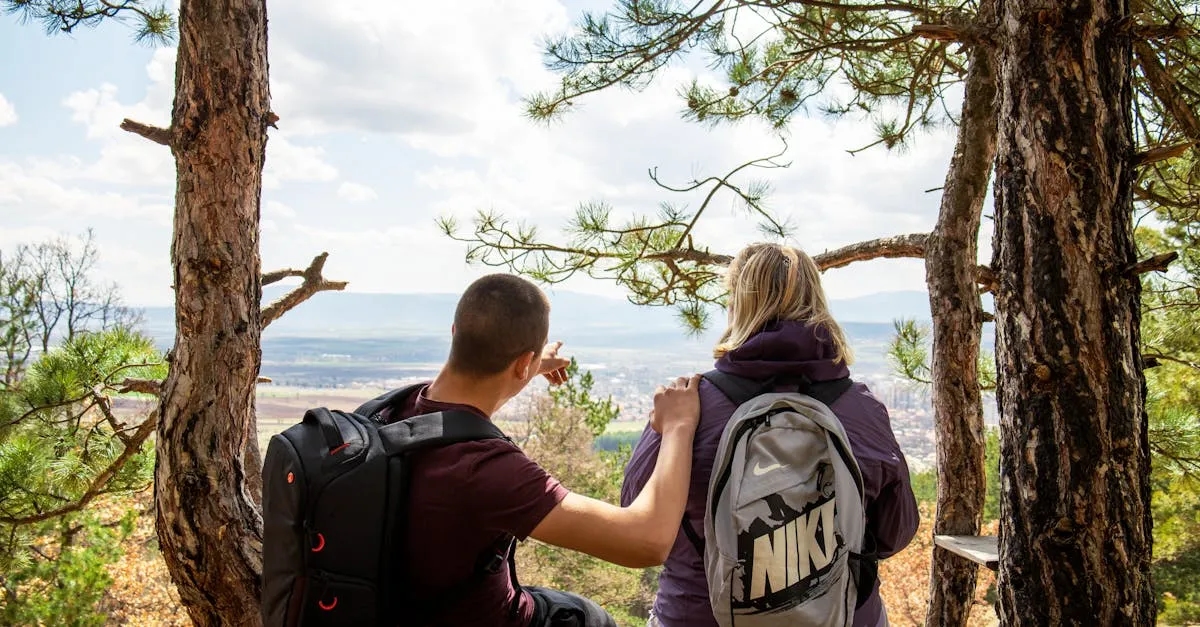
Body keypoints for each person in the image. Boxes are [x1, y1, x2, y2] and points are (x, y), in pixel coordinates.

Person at [621, 242, 920, 627]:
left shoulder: (688, 405)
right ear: (817, 302)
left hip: (698, 615)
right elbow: (895, 532)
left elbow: (636, 508)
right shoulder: (861, 410)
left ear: (738, 304)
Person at [377, 273, 702, 627]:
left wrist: (528, 366)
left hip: (395, 607)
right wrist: (678, 427)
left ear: (455, 333)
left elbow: (459, 408)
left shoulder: (390, 412)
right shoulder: (485, 469)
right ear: (521, 363)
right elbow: (646, 542)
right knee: (591, 619)